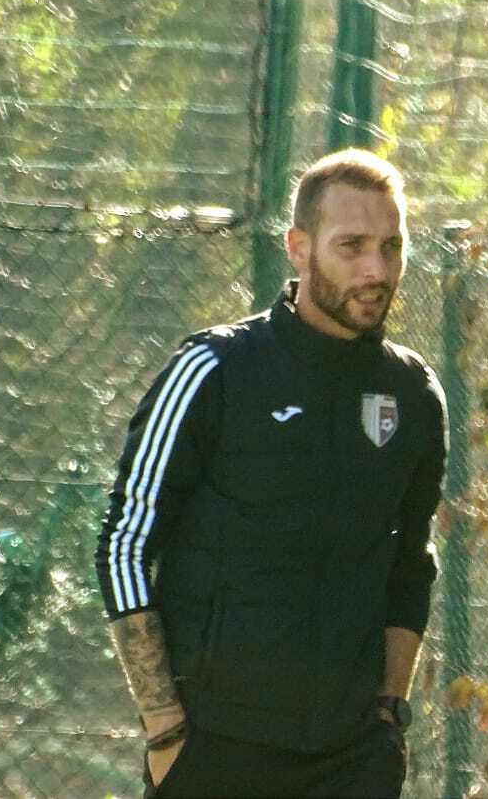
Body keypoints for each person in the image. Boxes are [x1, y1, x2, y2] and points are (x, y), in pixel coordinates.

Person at [95, 149, 448, 798]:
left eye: (392, 247)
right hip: (215, 750)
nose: (376, 269)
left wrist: (388, 715)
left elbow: (412, 565)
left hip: (350, 760)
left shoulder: (413, 393)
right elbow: (124, 542)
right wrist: (165, 728)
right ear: (299, 248)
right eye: (352, 246)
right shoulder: (215, 370)